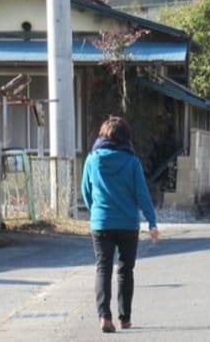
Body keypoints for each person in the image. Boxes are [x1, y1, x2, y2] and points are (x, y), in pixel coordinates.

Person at [81, 116, 159, 333]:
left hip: (101, 223)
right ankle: (124, 318)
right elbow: (142, 194)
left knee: (103, 268)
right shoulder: (132, 162)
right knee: (126, 270)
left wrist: (95, 211)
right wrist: (152, 222)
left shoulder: (92, 159)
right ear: (126, 137)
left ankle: (104, 317)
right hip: (127, 224)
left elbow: (85, 191)